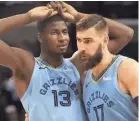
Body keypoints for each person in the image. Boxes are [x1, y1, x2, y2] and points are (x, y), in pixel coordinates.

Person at [0, 2, 134, 121]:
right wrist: (27, 17)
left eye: (64, 32)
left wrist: (78, 17)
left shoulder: (78, 62)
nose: (62, 38)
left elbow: (125, 34)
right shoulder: (28, 65)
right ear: (40, 37)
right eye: (54, 33)